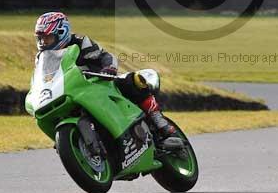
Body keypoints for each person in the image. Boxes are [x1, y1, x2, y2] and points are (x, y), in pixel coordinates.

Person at [33, 11, 177, 143]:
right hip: (73, 91)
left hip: (100, 82)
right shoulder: (42, 58)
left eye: (47, 38)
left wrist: (109, 68)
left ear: (61, 32)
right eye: (41, 38)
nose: (43, 42)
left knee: (133, 80)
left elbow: (106, 56)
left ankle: (159, 121)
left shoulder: (80, 41)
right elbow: (43, 78)